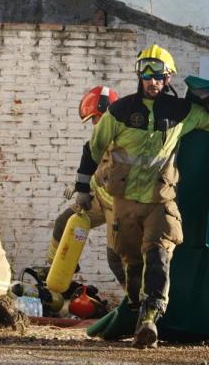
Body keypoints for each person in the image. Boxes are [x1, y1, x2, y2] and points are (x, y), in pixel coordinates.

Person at [82, 44, 209, 348]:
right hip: (125, 204)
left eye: (158, 75)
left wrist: (207, 98)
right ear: (139, 75)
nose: (152, 80)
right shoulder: (120, 112)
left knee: (158, 255)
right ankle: (137, 310)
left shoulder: (181, 112)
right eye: (146, 73)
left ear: (168, 77)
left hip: (160, 203)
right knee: (131, 262)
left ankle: (150, 319)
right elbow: (93, 149)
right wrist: (81, 188)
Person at [45, 86, 126, 291]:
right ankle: (56, 275)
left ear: (107, 115)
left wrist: (87, 187)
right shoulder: (97, 141)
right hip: (100, 200)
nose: (93, 124)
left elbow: (109, 173)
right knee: (63, 222)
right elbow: (88, 161)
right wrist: (81, 189)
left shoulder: (125, 140)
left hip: (120, 207)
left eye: (95, 118)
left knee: (115, 259)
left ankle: (135, 300)